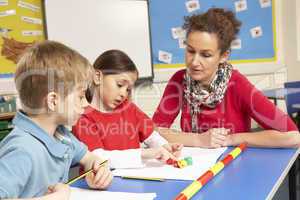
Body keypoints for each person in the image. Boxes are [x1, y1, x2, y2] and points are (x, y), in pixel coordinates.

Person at [152, 8, 300, 148]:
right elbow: (152, 131)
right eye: (190, 51)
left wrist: (233, 139)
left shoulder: (237, 84)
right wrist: (199, 140)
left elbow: (293, 136)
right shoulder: (179, 80)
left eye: (206, 55)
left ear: (223, 56)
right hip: (194, 166)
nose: (194, 62)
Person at [0, 41, 113, 200]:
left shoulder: (61, 135)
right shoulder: (22, 150)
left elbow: (89, 158)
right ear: (53, 101)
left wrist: (97, 171)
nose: (86, 103)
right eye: (81, 96)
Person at [73, 50, 182, 169]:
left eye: (128, 89)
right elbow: (98, 158)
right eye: (120, 85)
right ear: (98, 77)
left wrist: (164, 146)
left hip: (133, 178)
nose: (123, 93)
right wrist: (145, 154)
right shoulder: (82, 117)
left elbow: (151, 136)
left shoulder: (129, 108)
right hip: (98, 184)